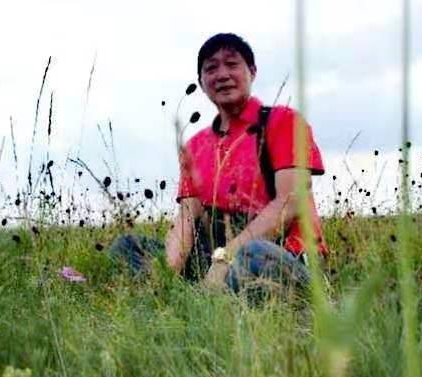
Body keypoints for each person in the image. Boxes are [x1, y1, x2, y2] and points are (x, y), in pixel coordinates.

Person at [110, 33, 328, 294]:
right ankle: (183, 296)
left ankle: (211, 296)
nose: (222, 74)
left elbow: (291, 201)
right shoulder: (196, 146)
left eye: (232, 64)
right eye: (211, 68)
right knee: (128, 247)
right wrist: (166, 277)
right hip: (213, 260)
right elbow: (187, 219)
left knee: (253, 254)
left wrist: (226, 258)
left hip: (276, 255)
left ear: (252, 72)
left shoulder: (283, 121)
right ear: (201, 83)